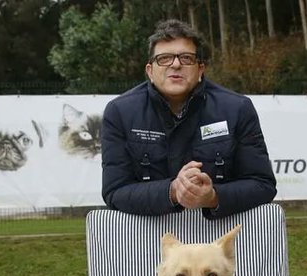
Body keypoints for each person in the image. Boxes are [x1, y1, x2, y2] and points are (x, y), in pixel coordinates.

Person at [101, 19, 277, 219]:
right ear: (150, 71)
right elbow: (114, 191)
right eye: (164, 58)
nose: (176, 64)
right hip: (149, 232)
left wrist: (213, 197)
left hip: (219, 232)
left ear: (200, 69)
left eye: (186, 58)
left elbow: (263, 185)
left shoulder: (237, 109)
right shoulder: (119, 112)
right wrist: (173, 191)